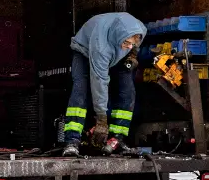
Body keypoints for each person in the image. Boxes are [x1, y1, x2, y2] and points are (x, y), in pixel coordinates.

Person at [62, 12, 147, 157]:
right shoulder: (101, 47)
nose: (128, 46)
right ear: (119, 36)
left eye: (131, 44)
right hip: (85, 51)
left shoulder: (140, 29)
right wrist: (101, 119)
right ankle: (72, 140)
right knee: (80, 91)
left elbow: (133, 46)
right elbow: (99, 82)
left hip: (117, 55)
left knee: (127, 92)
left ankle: (117, 139)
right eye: (126, 43)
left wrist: (132, 54)